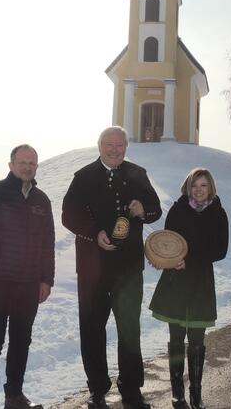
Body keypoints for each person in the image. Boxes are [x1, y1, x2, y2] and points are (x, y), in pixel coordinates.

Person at [62, 126, 162, 409]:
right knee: (92, 329)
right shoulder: (83, 177)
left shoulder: (138, 174)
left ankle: (131, 390)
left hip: (129, 270)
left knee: (129, 329)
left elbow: (155, 209)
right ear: (99, 146)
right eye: (109, 144)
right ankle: (97, 389)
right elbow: (68, 215)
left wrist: (144, 209)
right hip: (92, 269)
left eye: (120, 145)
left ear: (126, 147)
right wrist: (95, 233)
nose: (115, 149)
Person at [0, 145, 55, 409]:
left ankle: (14, 396)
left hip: (28, 285)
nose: (28, 167)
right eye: (23, 162)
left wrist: (45, 280)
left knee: (21, 341)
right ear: (11, 165)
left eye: (32, 163)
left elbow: (47, 244)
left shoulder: (41, 200)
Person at [149, 168, 229, 409]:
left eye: (203, 186)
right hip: (176, 280)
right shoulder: (178, 209)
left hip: (201, 282)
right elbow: (167, 242)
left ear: (210, 188)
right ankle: (177, 394)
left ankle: (196, 395)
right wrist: (161, 258)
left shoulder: (218, 213)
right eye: (195, 185)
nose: (199, 190)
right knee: (176, 338)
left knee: (196, 339)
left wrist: (190, 260)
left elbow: (220, 250)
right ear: (188, 187)